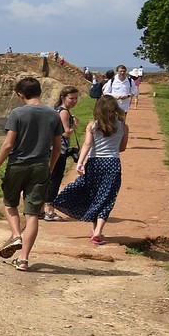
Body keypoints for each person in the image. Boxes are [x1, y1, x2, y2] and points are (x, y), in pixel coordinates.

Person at [0, 76, 64, 272]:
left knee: (9, 203)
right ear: (40, 91)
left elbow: (8, 144)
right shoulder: (53, 114)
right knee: (32, 215)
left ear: (20, 94)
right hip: (40, 166)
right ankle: (23, 260)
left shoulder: (17, 113)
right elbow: (57, 148)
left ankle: (16, 235)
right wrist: (49, 167)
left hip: (17, 165)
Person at [50, 93, 129, 244]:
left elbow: (87, 145)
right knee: (107, 197)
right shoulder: (123, 126)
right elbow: (122, 148)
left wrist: (80, 162)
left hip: (94, 163)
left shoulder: (93, 125)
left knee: (92, 194)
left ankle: (56, 202)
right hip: (112, 163)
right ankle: (98, 231)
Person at [42, 85, 81, 220]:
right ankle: (50, 211)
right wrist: (74, 125)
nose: (74, 101)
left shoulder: (56, 110)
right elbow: (65, 133)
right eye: (72, 98)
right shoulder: (64, 112)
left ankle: (41, 209)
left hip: (50, 148)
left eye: (76, 98)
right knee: (55, 180)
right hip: (59, 149)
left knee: (47, 178)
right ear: (63, 98)